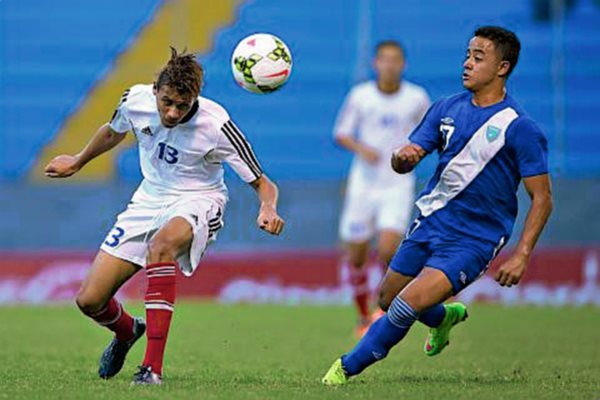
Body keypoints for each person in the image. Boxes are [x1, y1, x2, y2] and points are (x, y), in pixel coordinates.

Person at [322, 26, 553, 385]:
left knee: (405, 303)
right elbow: (406, 158)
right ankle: (443, 318)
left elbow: (543, 198)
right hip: (430, 222)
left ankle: (343, 370)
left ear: (502, 67)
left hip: (475, 238)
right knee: (388, 297)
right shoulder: (445, 108)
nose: (467, 64)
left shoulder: (519, 127)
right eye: (467, 55)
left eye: (478, 58)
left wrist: (522, 255)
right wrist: (404, 158)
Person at [44, 47, 285, 385]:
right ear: (156, 90)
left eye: (182, 106)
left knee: (162, 247)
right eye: (167, 102)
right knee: (90, 300)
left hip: (199, 200)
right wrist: (78, 160)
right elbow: (113, 130)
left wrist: (268, 207)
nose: (172, 112)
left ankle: (151, 369)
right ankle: (128, 332)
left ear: (195, 99)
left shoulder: (217, 125)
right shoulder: (135, 100)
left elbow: (263, 182)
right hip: (149, 198)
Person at [333, 40, 430, 337]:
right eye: (384, 60)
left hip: (397, 183)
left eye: (395, 60)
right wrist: (364, 149)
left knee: (389, 249)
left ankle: (382, 309)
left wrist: (413, 152)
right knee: (357, 253)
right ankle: (363, 316)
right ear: (376, 64)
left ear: (403, 64)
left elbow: (429, 134)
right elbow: (341, 133)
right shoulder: (361, 96)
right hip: (364, 183)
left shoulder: (416, 98)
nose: (389, 65)